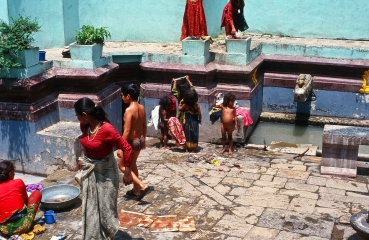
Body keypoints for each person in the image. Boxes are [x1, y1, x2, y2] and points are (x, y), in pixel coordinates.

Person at [75, 97, 145, 240]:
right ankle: (94, 236)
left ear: (85, 114)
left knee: (106, 208)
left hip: (106, 171)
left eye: (77, 115)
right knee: (91, 207)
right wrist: (82, 158)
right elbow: (85, 142)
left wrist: (127, 171)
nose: (77, 119)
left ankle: (107, 234)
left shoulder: (107, 129)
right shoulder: (85, 126)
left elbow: (126, 148)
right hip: (91, 169)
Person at [120, 84, 150, 199]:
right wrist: (144, 140)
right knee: (132, 164)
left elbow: (127, 131)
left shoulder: (129, 110)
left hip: (131, 143)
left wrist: (120, 147)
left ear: (128, 96)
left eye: (123, 95)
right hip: (140, 140)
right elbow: (144, 126)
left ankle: (141, 185)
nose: (122, 97)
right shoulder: (141, 108)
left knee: (121, 165)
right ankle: (136, 190)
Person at [0, 160, 42, 237]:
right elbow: (26, 201)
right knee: (37, 193)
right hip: (23, 226)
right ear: (10, 173)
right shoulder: (18, 182)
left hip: (4, 230)